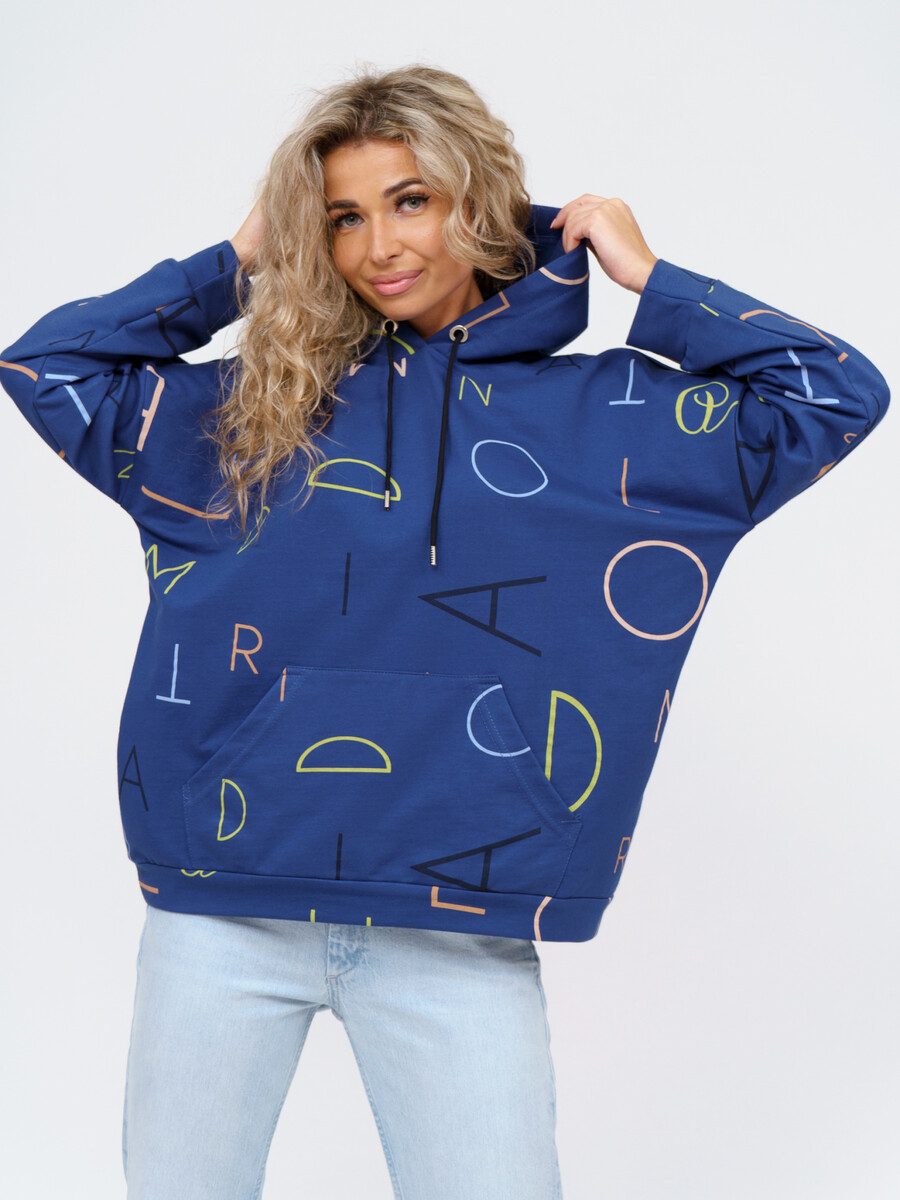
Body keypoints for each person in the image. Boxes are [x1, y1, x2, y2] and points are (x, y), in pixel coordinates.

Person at [0, 64, 888, 1200]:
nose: (378, 245)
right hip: (222, 910)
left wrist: (650, 279)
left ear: (481, 197)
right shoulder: (248, 410)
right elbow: (48, 365)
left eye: (410, 199)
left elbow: (835, 394)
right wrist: (237, 262)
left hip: (461, 919)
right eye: (341, 217)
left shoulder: (615, 420)